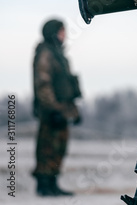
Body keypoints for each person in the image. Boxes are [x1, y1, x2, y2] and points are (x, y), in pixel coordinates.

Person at [32, 19, 82, 196]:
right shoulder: (46, 53)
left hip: (63, 108)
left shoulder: (58, 53)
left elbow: (66, 84)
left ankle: (52, 183)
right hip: (52, 111)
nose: (64, 34)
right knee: (48, 147)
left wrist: (73, 111)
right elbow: (43, 84)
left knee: (59, 147)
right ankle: (44, 185)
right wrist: (53, 109)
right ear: (53, 33)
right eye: (61, 31)